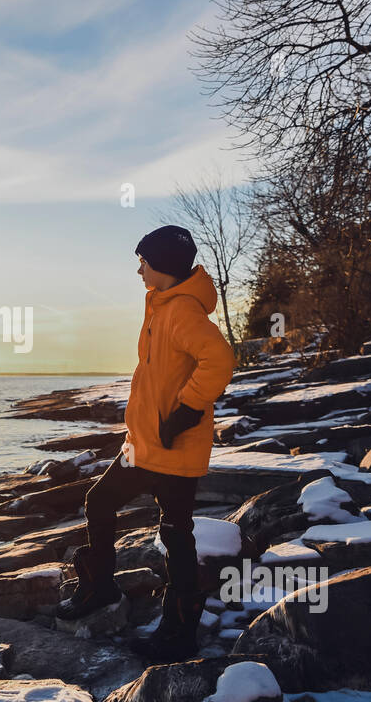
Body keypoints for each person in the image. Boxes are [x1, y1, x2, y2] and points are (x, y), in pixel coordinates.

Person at [56, 224, 236, 662]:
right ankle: (100, 587)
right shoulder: (162, 306)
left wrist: (188, 410)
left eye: (143, 262)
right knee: (100, 503)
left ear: (162, 267)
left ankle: (178, 631)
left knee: (176, 535)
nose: (138, 270)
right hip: (145, 445)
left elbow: (221, 359)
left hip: (172, 448)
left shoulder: (182, 313)